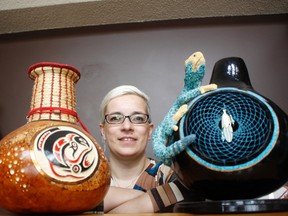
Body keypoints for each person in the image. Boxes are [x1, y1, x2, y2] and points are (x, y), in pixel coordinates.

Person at [99, 85, 203, 213]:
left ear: (149, 131)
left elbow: (193, 193)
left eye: (138, 118)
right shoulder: (86, 177)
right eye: (115, 118)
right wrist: (152, 197)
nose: (127, 126)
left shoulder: (170, 174)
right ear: (103, 130)